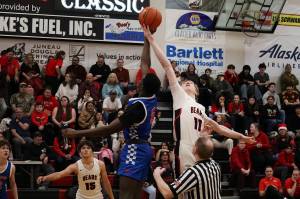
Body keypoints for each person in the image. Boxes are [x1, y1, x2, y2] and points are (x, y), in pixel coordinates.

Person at [142, 25, 254, 174]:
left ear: (196, 90)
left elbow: (220, 128)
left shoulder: (201, 109)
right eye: (183, 82)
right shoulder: (179, 95)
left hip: (200, 151)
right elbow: (167, 66)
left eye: (191, 83)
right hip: (184, 148)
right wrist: (151, 39)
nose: (187, 82)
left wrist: (241, 136)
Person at [64, 36, 161, 199]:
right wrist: (147, 38)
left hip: (134, 150)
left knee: (126, 195)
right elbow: (145, 64)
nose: (139, 79)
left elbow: (109, 129)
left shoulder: (137, 107)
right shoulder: (152, 97)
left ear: (142, 85)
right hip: (144, 148)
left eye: (141, 80)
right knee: (136, 195)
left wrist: (76, 133)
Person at [37, 140, 114, 199]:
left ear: (92, 151)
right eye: (83, 148)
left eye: (88, 148)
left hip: (97, 197)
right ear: (80, 152)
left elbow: (106, 183)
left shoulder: (100, 164)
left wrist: (112, 198)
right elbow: (59, 174)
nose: (86, 150)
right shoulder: (75, 166)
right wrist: (45, 177)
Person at [153, 136, 221, 199]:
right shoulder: (215, 165)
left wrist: (156, 175)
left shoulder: (193, 173)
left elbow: (167, 193)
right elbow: (207, 149)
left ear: (195, 150)